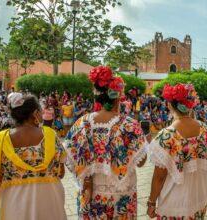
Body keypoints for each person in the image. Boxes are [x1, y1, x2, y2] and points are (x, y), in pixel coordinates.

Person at [64, 66, 149, 219]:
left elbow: (69, 157)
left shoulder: (81, 123)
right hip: (121, 197)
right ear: (117, 97)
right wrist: (145, 143)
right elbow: (141, 162)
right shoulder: (130, 125)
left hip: (91, 196)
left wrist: (88, 173)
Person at [0, 92, 67, 220]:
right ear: (35, 113)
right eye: (40, 110)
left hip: (14, 203)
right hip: (49, 200)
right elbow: (61, 173)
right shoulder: (50, 135)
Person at [146, 83, 207, 219]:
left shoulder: (166, 136)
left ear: (170, 105)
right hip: (199, 198)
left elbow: (159, 177)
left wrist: (151, 202)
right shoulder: (205, 130)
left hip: (175, 203)